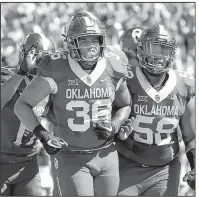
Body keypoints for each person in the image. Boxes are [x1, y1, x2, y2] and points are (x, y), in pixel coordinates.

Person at [14, 11, 132, 196]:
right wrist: (44, 135)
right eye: (84, 40)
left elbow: (125, 105)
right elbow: (22, 105)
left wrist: (115, 124)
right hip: (71, 156)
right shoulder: (56, 67)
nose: (91, 46)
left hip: (107, 155)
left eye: (95, 39)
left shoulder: (114, 64)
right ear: (70, 43)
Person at [116, 25, 195, 196]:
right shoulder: (126, 79)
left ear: (172, 53)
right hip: (127, 163)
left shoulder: (184, 84)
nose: (158, 55)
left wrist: (195, 166)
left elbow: (191, 137)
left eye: (164, 50)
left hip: (165, 170)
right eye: (153, 48)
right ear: (141, 50)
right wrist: (117, 133)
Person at [1, 33, 55, 196]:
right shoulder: (8, 76)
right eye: (36, 56)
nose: (39, 62)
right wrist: (21, 72)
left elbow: (57, 118)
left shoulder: (51, 86)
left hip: (28, 163)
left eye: (45, 58)